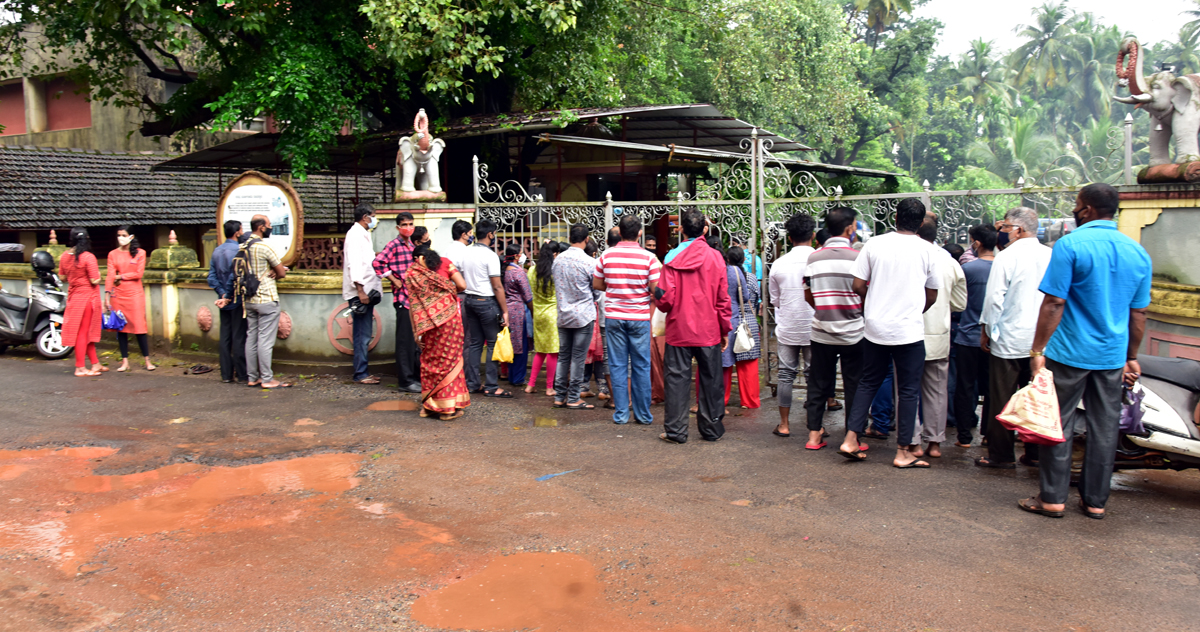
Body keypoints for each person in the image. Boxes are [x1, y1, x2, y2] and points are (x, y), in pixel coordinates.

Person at [1019, 183, 1152, 519]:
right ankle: (1095, 501)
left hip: (1069, 353)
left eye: (1078, 205)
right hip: (1111, 355)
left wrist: (1037, 350)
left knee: (1058, 423)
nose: (1076, 211)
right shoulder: (1137, 252)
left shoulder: (1070, 245)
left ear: (1088, 210)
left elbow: (1054, 302)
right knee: (1105, 428)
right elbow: (1139, 314)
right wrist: (1131, 355)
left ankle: (1052, 498)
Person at [838, 198, 939, 468]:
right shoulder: (928, 250)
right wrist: (914, 309)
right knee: (907, 391)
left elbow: (858, 284)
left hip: (875, 327)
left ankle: (850, 438)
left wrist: (876, 301)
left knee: (868, 382)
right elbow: (932, 294)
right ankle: (903, 451)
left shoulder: (875, 244)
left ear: (895, 217)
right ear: (920, 223)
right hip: (908, 330)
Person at [976, 207, 1053, 468]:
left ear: (1018, 230)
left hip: (1009, 337)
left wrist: (986, 330)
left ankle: (1000, 454)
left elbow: (994, 299)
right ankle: (1035, 453)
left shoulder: (1007, 257)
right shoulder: (1050, 255)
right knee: (1036, 396)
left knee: (1002, 397)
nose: (1002, 232)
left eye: (1005, 227)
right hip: (1041, 340)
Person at [656, 209, 731, 444]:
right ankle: (711, 429)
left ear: (681, 230)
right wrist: (725, 329)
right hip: (709, 329)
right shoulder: (716, 257)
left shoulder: (671, 258)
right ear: (705, 230)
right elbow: (723, 298)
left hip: (679, 329)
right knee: (711, 380)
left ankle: (676, 431)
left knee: (677, 380)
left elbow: (665, 299)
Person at [802, 207, 865, 450]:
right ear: (850, 229)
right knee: (854, 385)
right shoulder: (858, 257)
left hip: (822, 330)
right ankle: (852, 437)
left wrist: (824, 309)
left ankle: (814, 435)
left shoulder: (814, 257)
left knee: (818, 383)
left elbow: (808, 294)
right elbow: (864, 292)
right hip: (854, 332)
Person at [594, 215, 661, 425]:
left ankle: (621, 414)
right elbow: (655, 289)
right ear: (639, 233)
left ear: (620, 233)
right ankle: (643, 415)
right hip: (639, 318)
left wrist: (616, 288)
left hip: (614, 317)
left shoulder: (606, 255)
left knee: (617, 365)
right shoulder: (649, 258)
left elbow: (597, 284)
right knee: (641, 365)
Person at [916, 213, 967, 458]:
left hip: (909, 334)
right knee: (937, 390)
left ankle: (912, 440)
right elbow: (960, 303)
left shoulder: (908, 258)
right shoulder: (949, 262)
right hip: (939, 334)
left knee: (906, 390)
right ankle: (934, 443)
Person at [406, 245, 471, 420]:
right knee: (450, 362)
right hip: (450, 321)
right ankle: (448, 409)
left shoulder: (413, 274)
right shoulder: (446, 263)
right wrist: (447, 294)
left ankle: (428, 406)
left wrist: (415, 332)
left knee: (430, 362)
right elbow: (462, 285)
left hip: (427, 325)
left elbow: (413, 305)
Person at [768, 213, 816, 438]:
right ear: (813, 235)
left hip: (788, 326)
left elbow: (774, 300)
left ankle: (784, 424)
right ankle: (815, 426)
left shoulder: (779, 264)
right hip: (815, 327)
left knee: (786, 375)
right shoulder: (819, 260)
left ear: (790, 237)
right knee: (813, 375)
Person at [952, 224, 997, 447]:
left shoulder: (967, 270)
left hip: (967, 337)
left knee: (965, 387)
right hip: (993, 339)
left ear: (976, 243)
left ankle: (964, 437)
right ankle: (989, 434)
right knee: (992, 389)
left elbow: (957, 303)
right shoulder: (1002, 268)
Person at [457, 219, 511, 397]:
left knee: (475, 343)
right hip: (486, 302)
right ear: (490, 234)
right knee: (493, 344)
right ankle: (491, 385)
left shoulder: (466, 253)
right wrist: (505, 311)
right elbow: (497, 286)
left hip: (470, 300)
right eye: (494, 233)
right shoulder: (490, 256)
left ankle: (472, 383)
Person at [552, 224, 600, 409]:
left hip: (563, 314)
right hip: (583, 315)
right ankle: (573, 397)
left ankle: (559, 396)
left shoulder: (558, 260)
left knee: (564, 356)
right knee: (578, 358)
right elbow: (596, 291)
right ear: (587, 239)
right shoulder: (590, 262)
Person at [372, 212, 421, 392]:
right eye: (405, 225)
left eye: (410, 224)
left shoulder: (411, 245)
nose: (408, 227)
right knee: (404, 341)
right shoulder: (394, 244)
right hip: (402, 299)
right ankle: (405, 381)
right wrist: (393, 279)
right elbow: (378, 263)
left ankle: (414, 376)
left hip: (413, 300)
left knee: (414, 342)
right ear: (398, 227)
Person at [244, 214, 290, 389]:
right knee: (265, 340)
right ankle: (267, 378)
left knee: (251, 338)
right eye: (269, 225)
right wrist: (276, 270)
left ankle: (252, 377)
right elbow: (282, 272)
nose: (270, 228)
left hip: (249, 298)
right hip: (266, 298)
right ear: (262, 227)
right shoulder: (264, 247)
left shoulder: (243, 246)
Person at [104, 225, 155, 372]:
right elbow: (109, 276)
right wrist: (107, 295)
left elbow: (138, 274)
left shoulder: (140, 253)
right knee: (121, 329)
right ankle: (125, 362)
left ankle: (147, 360)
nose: (120, 238)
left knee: (140, 327)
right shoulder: (112, 254)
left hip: (135, 294)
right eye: (119, 235)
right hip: (118, 294)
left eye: (123, 235)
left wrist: (120, 276)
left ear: (131, 237)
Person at [346, 204, 384, 384]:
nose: (374, 219)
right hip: (360, 293)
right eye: (373, 216)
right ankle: (360, 373)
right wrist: (360, 290)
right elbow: (354, 264)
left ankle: (363, 371)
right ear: (365, 217)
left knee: (364, 333)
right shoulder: (354, 235)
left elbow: (365, 260)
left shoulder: (363, 234)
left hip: (367, 290)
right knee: (362, 334)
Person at [60, 227, 103, 377]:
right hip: (87, 297)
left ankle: (95, 363)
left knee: (85, 331)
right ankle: (80, 367)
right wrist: (100, 276)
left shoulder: (65, 256)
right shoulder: (88, 257)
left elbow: (62, 278)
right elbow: (94, 279)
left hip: (74, 296)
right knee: (83, 332)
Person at [208, 220, 248, 384]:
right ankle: (242, 373)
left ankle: (226, 374)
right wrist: (230, 295)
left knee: (225, 337)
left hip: (222, 299)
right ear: (238, 232)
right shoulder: (239, 251)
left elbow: (211, 276)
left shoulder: (217, 251)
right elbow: (237, 276)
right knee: (239, 336)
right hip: (237, 299)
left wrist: (222, 294)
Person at [723, 246, 761, 409]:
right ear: (744, 259)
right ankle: (750, 401)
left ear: (728, 260)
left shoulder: (724, 275)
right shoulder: (751, 278)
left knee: (724, 365)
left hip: (728, 322)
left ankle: (721, 400)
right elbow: (754, 298)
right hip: (747, 322)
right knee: (748, 364)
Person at [526, 241, 560, 396]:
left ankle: (531, 384)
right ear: (554, 254)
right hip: (552, 314)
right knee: (553, 352)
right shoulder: (556, 271)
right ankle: (549, 387)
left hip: (538, 313)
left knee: (539, 351)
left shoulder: (532, 270)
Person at [502, 242, 534, 387]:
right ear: (516, 256)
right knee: (520, 345)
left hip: (507, 309)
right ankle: (518, 378)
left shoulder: (505, 270)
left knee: (511, 344)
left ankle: (511, 375)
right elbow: (527, 295)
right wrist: (533, 311)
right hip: (519, 311)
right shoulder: (518, 272)